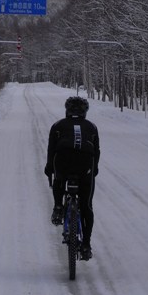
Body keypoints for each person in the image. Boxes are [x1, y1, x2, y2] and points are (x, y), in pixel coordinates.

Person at [44, 96, 100, 261]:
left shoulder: (58, 125)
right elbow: (96, 152)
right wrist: (93, 171)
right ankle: (86, 245)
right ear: (85, 112)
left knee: (59, 179)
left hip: (63, 161)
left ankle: (58, 207)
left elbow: (51, 150)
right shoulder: (92, 127)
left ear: (67, 110)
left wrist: (49, 169)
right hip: (85, 165)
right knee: (87, 207)